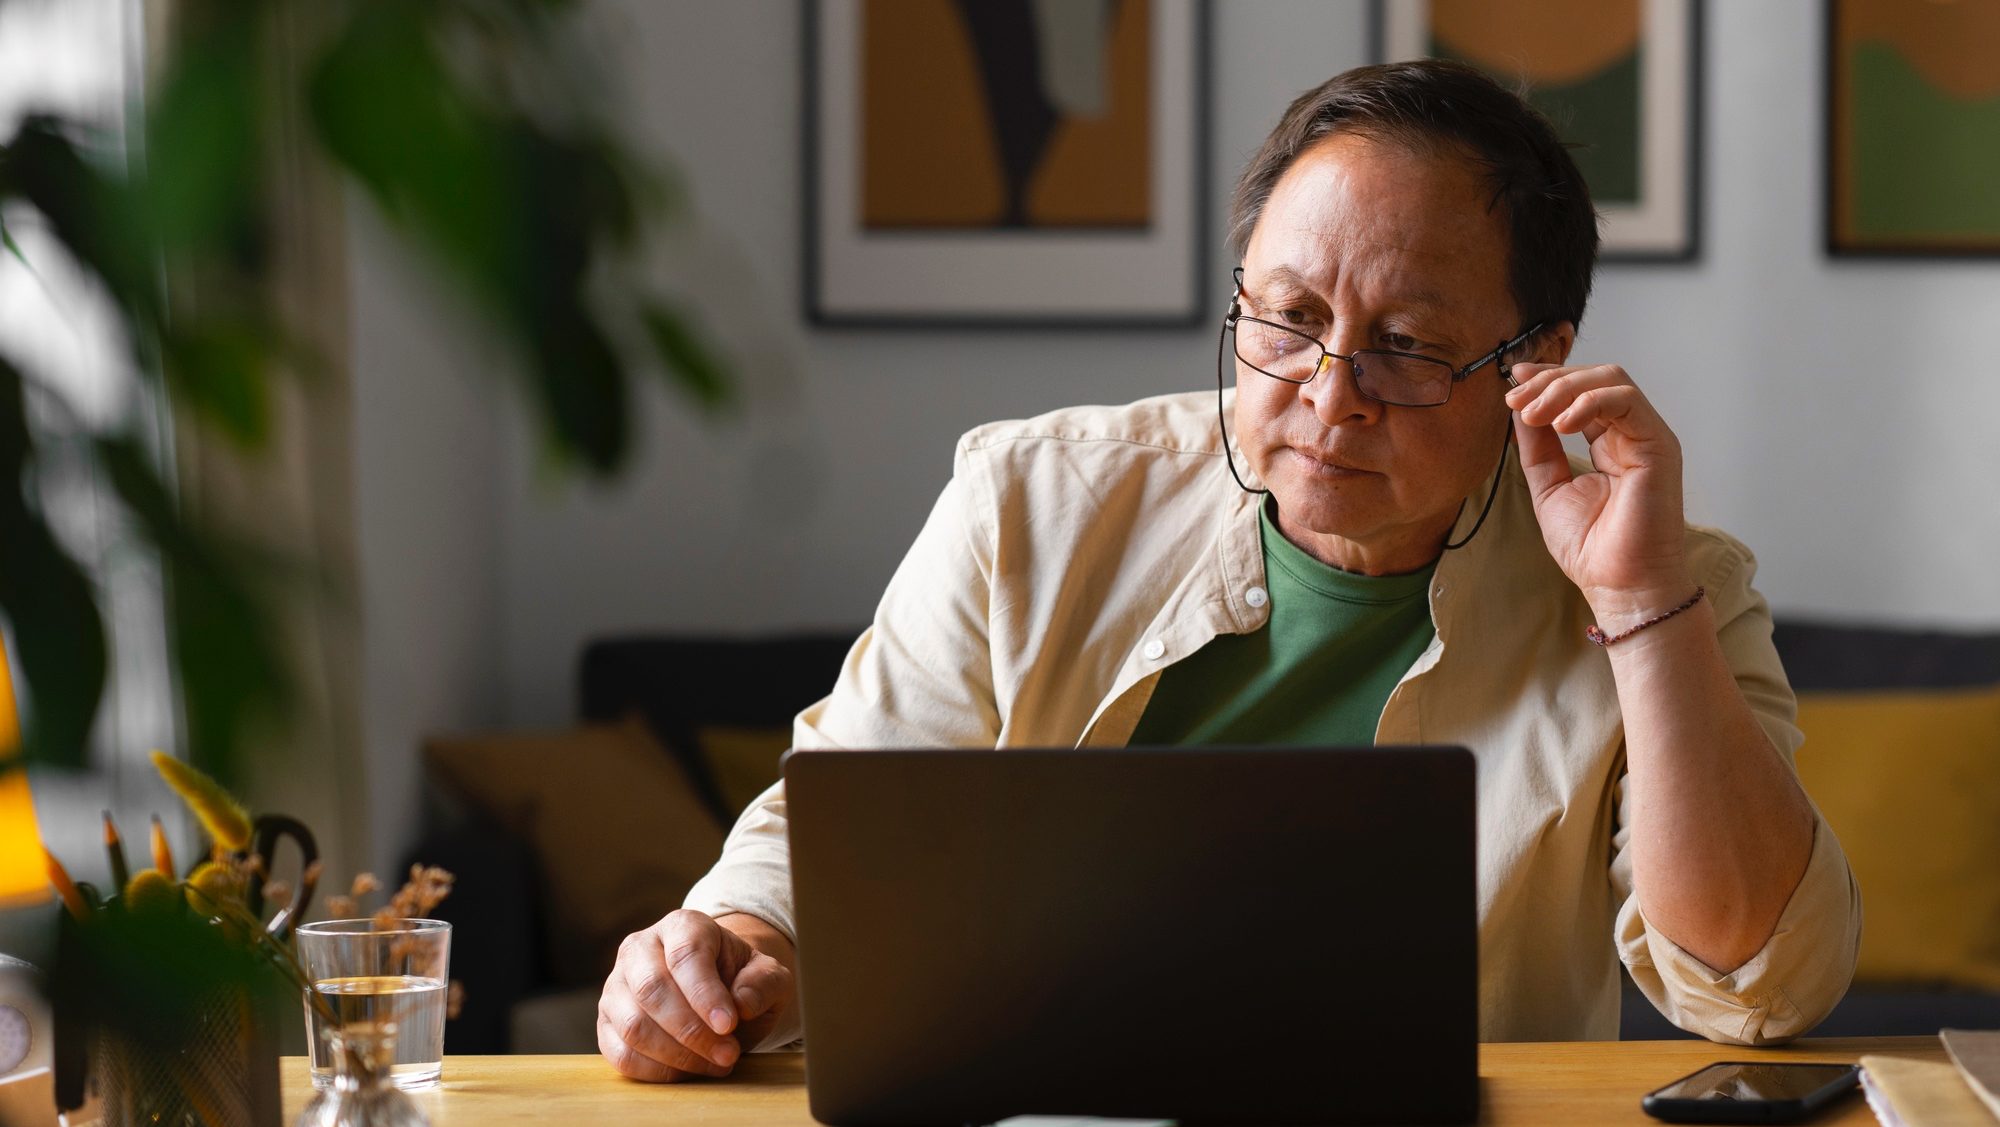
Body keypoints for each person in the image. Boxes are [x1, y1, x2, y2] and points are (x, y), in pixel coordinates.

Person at [597, 60, 1862, 1082]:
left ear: (1538, 359)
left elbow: (1760, 987)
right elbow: (835, 832)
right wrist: (730, 951)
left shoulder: (1666, 575)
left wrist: (1639, 607)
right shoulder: (1031, 501)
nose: (1327, 395)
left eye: (1406, 344)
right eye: (1290, 320)